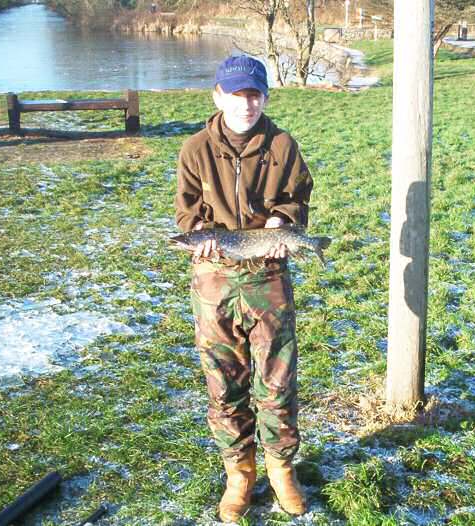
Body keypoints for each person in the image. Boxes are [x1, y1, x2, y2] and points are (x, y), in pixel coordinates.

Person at [174, 55, 313, 522]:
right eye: (237, 94)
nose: (246, 103)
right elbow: (187, 215)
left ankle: (280, 470)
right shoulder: (194, 150)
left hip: (268, 278)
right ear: (219, 96)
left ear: (264, 97)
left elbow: (295, 198)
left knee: (277, 381)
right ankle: (239, 472)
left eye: (254, 94)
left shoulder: (283, 145)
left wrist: (282, 222)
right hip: (214, 282)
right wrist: (200, 234)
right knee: (224, 384)